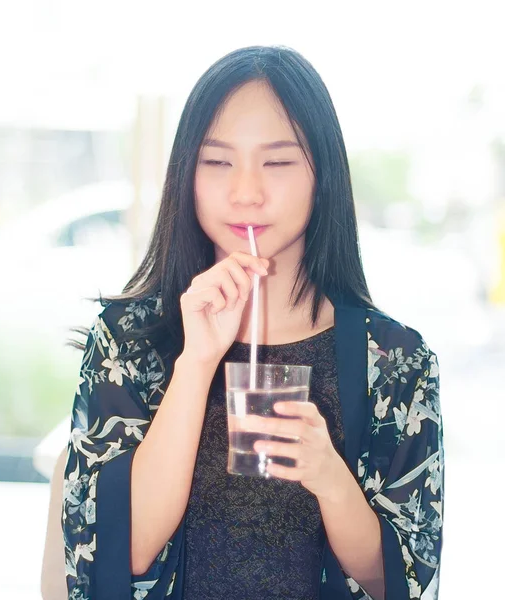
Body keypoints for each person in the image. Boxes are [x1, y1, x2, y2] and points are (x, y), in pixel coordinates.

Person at [41, 45, 444, 600]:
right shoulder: (125, 340)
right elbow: (116, 551)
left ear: (321, 174)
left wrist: (330, 477)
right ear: (186, 175)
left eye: (277, 162)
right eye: (217, 161)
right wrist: (196, 364)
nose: (246, 192)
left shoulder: (395, 360)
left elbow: (402, 580)